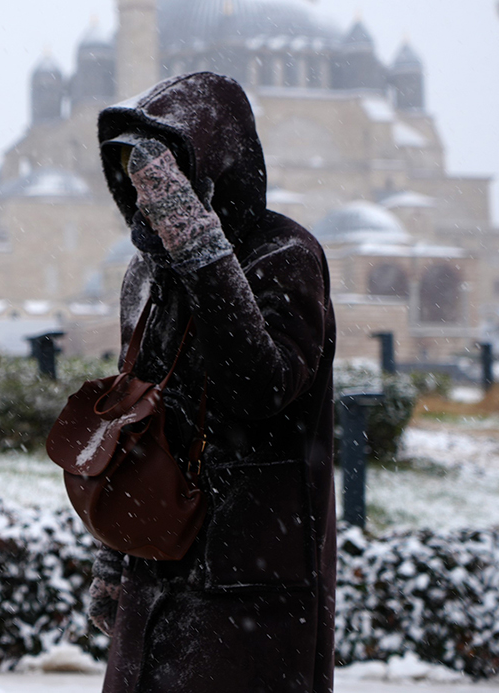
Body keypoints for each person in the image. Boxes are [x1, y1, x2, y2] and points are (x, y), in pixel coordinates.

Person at [87, 72, 338, 693]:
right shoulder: (146, 273)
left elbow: (259, 387)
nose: (151, 197)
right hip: (153, 567)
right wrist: (114, 556)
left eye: (164, 177)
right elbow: (134, 418)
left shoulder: (283, 254)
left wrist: (201, 249)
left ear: (212, 167)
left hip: (249, 578)